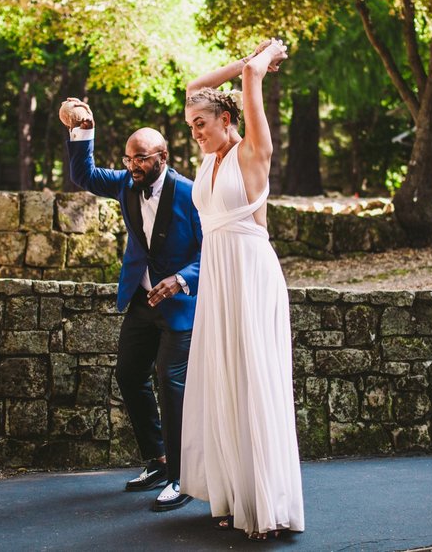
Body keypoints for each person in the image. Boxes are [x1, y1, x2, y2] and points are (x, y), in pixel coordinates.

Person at [179, 40, 305, 540]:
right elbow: (195, 88)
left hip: (250, 273)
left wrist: (260, 64)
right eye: (192, 127)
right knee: (222, 377)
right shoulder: (206, 162)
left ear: (226, 121)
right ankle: (230, 494)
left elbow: (249, 81)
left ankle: (264, 503)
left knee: (253, 378)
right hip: (217, 275)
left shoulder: (253, 153)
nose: (195, 133)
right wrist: (246, 59)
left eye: (201, 125)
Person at [62, 99, 202, 512]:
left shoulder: (192, 194)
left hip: (180, 306)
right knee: (128, 375)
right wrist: (84, 128)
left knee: (169, 383)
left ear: (162, 157)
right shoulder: (126, 183)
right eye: (127, 158)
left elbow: (213, 250)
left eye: (140, 158)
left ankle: (182, 477)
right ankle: (158, 461)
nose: (132, 165)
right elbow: (82, 174)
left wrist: (181, 281)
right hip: (141, 301)